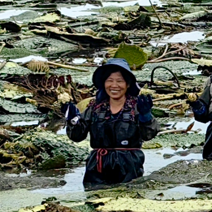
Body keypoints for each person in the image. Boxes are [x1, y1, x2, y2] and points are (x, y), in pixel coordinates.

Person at [64, 57, 158, 188]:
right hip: (98, 166)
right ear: (103, 83)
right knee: (96, 202)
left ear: (128, 84)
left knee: (128, 202)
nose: (114, 86)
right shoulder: (94, 108)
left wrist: (146, 116)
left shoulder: (137, 108)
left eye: (120, 81)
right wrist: (72, 119)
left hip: (129, 165)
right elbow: (77, 136)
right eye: (110, 81)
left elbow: (148, 135)